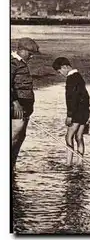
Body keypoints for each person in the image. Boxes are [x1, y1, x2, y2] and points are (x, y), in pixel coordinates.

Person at [52, 57, 90, 166]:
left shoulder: (71, 79)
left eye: (59, 71)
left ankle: (68, 163)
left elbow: (71, 99)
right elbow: (86, 97)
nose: (60, 74)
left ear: (65, 67)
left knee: (68, 136)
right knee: (79, 137)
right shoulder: (79, 77)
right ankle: (80, 162)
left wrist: (69, 115)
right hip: (85, 112)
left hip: (76, 113)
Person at [11, 37, 40, 171]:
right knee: (13, 137)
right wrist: (15, 102)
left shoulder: (21, 63)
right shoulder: (12, 63)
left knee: (20, 137)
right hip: (16, 109)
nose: (32, 56)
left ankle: (12, 165)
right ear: (21, 50)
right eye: (30, 53)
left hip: (25, 109)